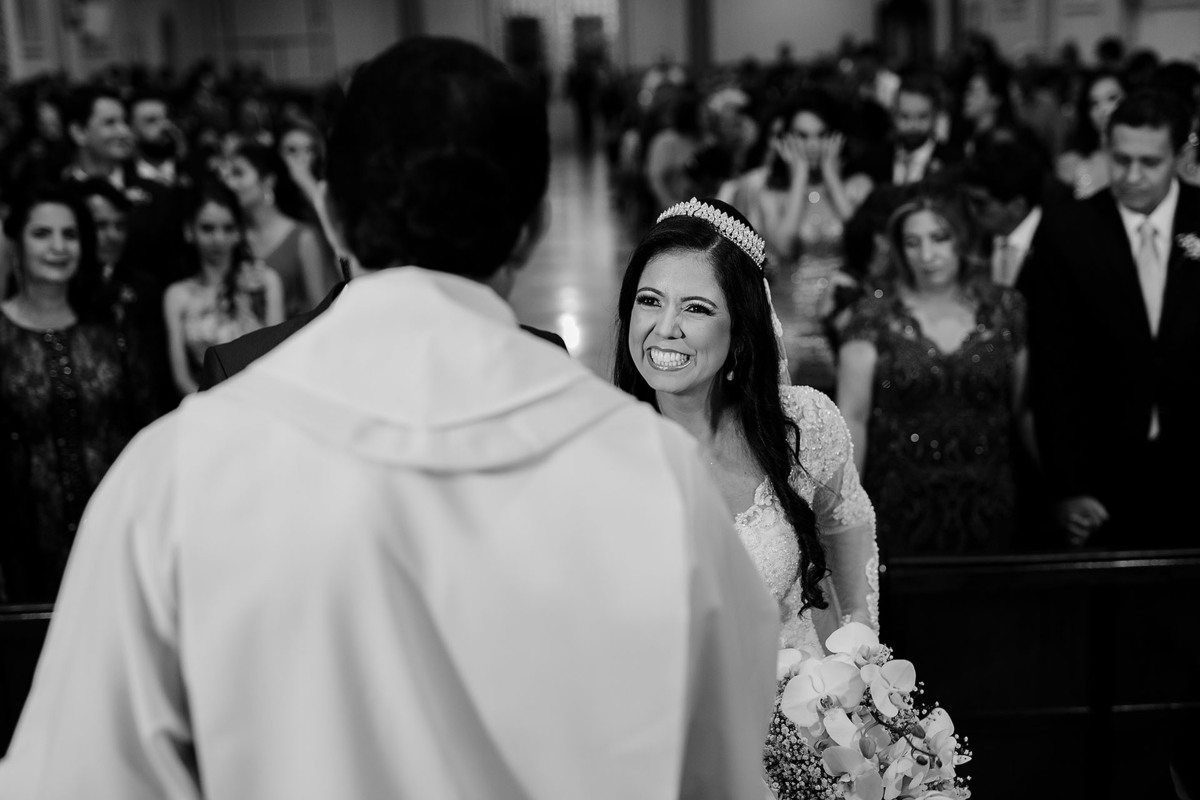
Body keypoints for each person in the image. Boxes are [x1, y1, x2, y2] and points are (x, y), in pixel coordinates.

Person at [0, 37, 780, 798]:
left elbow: (79, 776)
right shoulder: (651, 472)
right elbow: (720, 766)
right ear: (536, 228)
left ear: (332, 217)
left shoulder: (177, 472)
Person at [613, 196, 879, 652]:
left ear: (739, 330)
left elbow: (847, 526)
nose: (666, 327)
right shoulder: (602, 456)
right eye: (650, 300)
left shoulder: (805, 425)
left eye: (696, 308)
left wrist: (859, 662)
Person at [1023, 89, 1200, 550]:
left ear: (1181, 157)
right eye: (1121, 160)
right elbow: (1053, 369)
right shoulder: (1068, 230)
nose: (1132, 176)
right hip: (1103, 469)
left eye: (1150, 162)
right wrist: (1067, 486)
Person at [837, 190, 1031, 557]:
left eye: (939, 238)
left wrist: (1065, 490)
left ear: (962, 239)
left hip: (991, 499)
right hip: (899, 501)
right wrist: (848, 513)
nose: (926, 255)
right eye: (913, 243)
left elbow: (1025, 410)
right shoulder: (872, 315)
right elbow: (853, 418)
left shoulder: (1006, 308)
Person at [0, 185, 155, 603]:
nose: (58, 247)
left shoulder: (112, 328)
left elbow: (147, 430)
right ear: (16, 244)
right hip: (25, 551)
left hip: (115, 537)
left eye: (69, 235)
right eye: (42, 234)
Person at [720, 91, 873, 395]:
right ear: (785, 140)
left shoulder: (857, 186)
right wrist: (799, 178)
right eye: (802, 136)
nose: (812, 145)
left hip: (846, 315)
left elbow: (863, 243)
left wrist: (831, 177)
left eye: (821, 135)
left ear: (836, 138)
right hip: (791, 321)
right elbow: (786, 247)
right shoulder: (770, 195)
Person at [162, 179, 284, 396]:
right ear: (189, 231)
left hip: (263, 397)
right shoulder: (177, 295)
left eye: (228, 228)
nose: (219, 239)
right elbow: (181, 378)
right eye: (207, 229)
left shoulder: (264, 281)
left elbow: (279, 355)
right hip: (205, 404)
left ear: (239, 231)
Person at [224, 140, 334, 317]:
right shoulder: (232, 235)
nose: (230, 183)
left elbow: (319, 307)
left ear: (267, 181)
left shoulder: (302, 237)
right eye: (228, 175)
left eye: (239, 173)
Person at [1055, 69, 1125, 199]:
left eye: (1112, 99)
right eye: (1094, 103)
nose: (1104, 109)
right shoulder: (1072, 163)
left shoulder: (1148, 154)